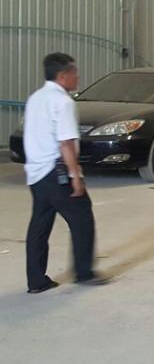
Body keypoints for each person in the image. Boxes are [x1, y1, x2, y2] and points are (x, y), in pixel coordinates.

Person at [23, 53, 107, 293]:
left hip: (36, 173)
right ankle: (84, 272)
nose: (77, 77)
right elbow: (66, 143)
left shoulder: (35, 98)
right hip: (57, 172)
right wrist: (75, 176)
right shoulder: (63, 102)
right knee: (82, 218)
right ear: (63, 76)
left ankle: (36, 281)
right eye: (74, 73)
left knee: (39, 225)